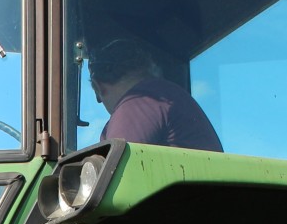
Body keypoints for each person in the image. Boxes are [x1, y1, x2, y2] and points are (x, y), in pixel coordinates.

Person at [87, 38, 222, 151]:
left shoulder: (137, 102)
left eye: (98, 98)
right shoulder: (168, 95)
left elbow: (115, 172)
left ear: (99, 86)